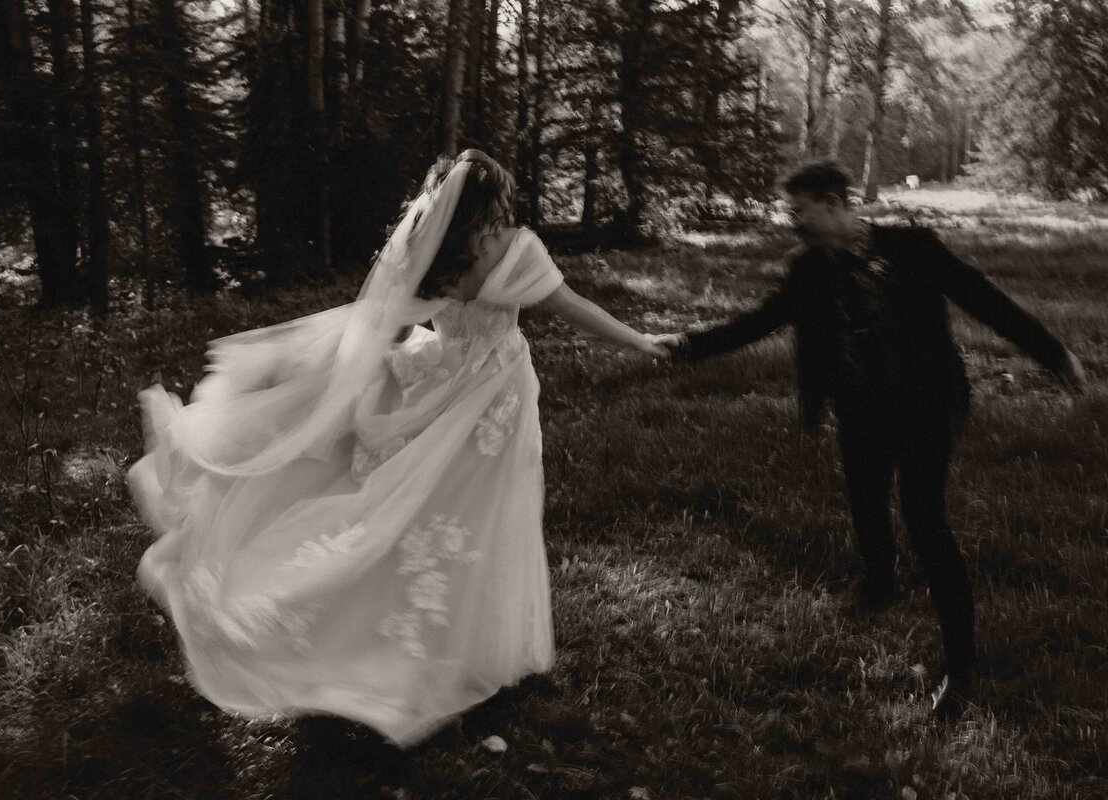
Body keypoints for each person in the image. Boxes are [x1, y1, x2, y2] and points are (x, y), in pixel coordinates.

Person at [127, 149, 670, 747]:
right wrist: (641, 341)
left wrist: (336, 384)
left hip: (436, 384)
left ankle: (405, 636)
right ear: (494, 201)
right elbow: (574, 310)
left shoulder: (426, 246)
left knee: (425, 513)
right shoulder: (516, 248)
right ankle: (471, 651)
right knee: (488, 514)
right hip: (495, 395)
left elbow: (392, 325)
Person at [662, 161, 1086, 717]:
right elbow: (759, 322)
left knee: (924, 520)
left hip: (926, 404)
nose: (793, 222)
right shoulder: (807, 269)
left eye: (800, 210)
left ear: (835, 202)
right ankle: (880, 586)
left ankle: (960, 671)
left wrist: (1052, 352)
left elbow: (982, 298)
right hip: (861, 407)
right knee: (864, 499)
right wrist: (687, 345)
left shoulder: (913, 248)